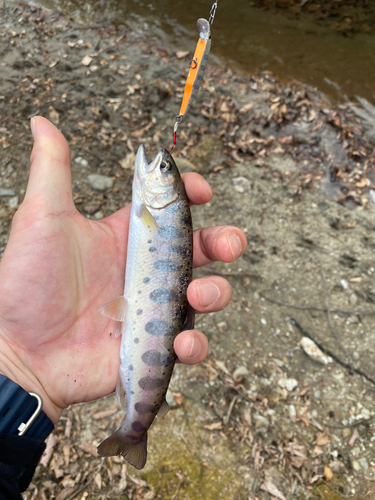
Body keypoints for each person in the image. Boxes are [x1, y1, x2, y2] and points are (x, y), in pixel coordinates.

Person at [0, 117, 247, 499]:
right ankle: (135, 428)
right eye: (165, 167)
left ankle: (134, 428)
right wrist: (16, 362)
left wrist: (17, 370)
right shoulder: (151, 205)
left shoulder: (152, 206)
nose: (157, 163)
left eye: (163, 168)